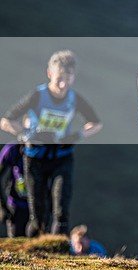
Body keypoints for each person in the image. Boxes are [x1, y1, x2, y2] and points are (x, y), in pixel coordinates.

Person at [0, 51, 103, 237]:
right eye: (59, 79)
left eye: (69, 78)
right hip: (35, 159)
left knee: (61, 210)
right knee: (38, 214)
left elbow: (96, 123)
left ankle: (57, 253)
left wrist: (75, 136)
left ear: (74, 77)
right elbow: (6, 121)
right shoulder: (37, 96)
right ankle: (35, 253)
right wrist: (26, 135)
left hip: (61, 158)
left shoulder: (74, 98)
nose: (63, 84)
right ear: (50, 74)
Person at [0, 143, 29, 237]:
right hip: (16, 207)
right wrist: (1, 207)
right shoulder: (13, 149)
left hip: (40, 209)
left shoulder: (47, 148)